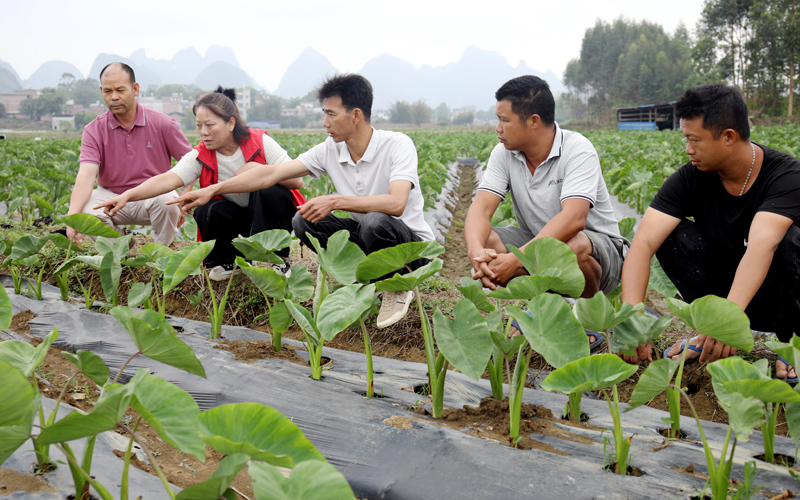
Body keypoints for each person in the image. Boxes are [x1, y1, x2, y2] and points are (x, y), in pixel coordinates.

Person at [168, 73, 435, 328]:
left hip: (410, 248)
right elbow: (272, 173)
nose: (324, 122)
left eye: (331, 114)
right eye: (324, 114)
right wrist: (213, 188)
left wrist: (335, 201)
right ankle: (360, 273)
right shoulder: (330, 149)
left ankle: (397, 285)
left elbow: (396, 203)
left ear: (355, 115)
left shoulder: (397, 144)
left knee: (375, 222)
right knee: (303, 220)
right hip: (368, 236)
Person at [621, 84, 800, 379]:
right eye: (685, 139)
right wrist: (632, 319)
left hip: (778, 299)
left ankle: (793, 341)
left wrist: (725, 322)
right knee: (669, 235)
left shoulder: (785, 175)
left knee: (791, 239)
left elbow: (761, 247)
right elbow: (642, 243)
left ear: (728, 136)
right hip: (727, 293)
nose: (688, 149)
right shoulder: (691, 176)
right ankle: (707, 332)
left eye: (695, 140)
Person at [464, 75, 628, 349]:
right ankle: (545, 308)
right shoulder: (503, 153)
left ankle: (585, 315)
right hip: (539, 244)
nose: (497, 128)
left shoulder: (577, 149)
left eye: (505, 120)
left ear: (533, 121)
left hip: (600, 255)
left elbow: (575, 218)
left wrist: (516, 262)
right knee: (490, 241)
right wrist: (476, 252)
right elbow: (480, 209)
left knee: (572, 245)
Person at [95, 87, 303, 280]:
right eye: (199, 126)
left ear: (230, 123)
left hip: (269, 216)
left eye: (210, 125)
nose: (203, 132)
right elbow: (168, 178)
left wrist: (257, 169)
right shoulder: (201, 154)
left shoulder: (260, 141)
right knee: (206, 207)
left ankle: (279, 260)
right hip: (238, 220)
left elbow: (297, 180)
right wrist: (127, 196)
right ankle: (230, 262)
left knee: (268, 189)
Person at [68, 62, 192, 246]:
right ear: (102, 91)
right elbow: (86, 176)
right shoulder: (94, 129)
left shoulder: (163, 124)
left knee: (170, 202)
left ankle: (159, 253)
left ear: (135, 89)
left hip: (153, 195)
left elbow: (191, 164)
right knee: (86, 210)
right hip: (112, 196)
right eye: (108, 91)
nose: (114, 97)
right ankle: (123, 247)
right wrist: (72, 219)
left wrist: (184, 199)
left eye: (120, 90)